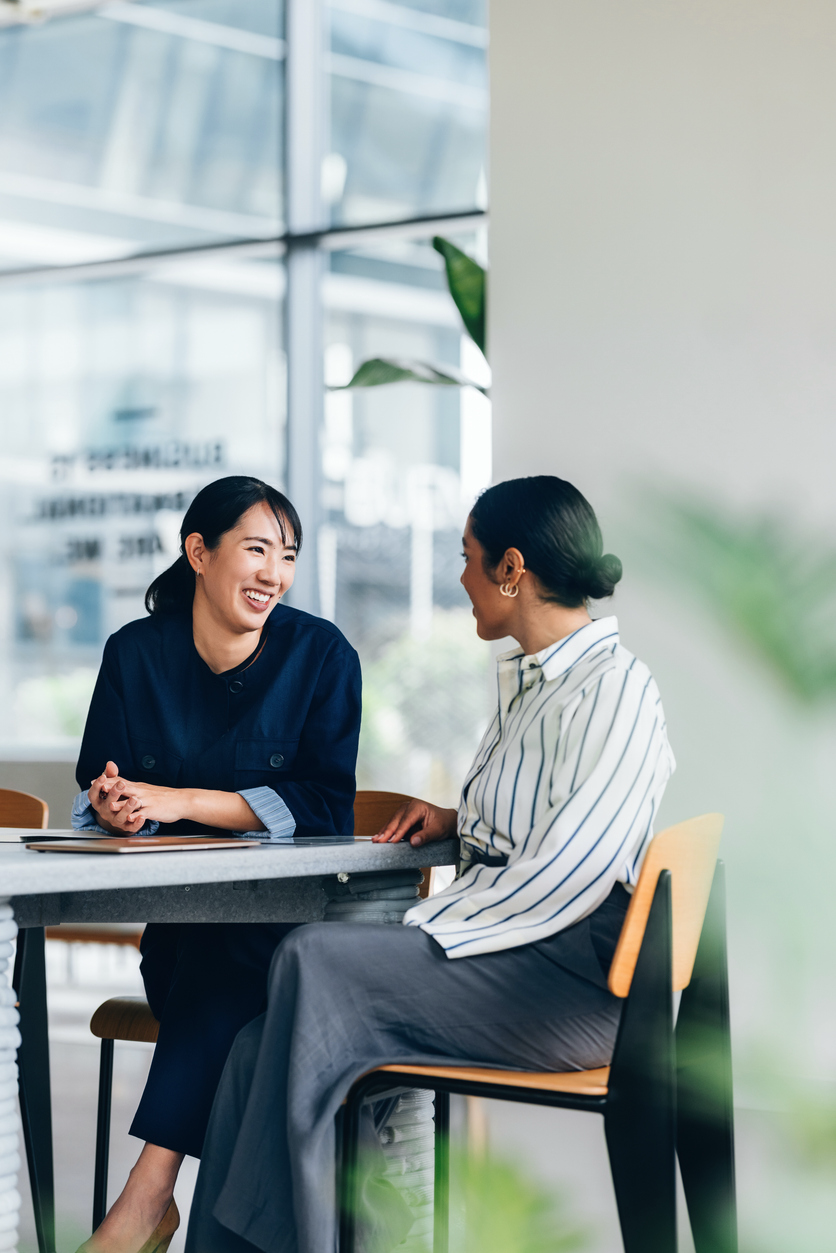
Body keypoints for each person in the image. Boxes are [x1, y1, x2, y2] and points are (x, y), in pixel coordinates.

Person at [184, 474, 676, 1253]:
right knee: (256, 1040)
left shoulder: (614, 688)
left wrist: (422, 921)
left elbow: (568, 873)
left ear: (512, 568)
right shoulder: (538, 685)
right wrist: (459, 820)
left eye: (469, 558)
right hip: (525, 952)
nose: (461, 578)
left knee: (313, 954)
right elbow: (543, 827)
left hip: (567, 983)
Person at [72, 476, 361, 1253]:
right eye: (257, 549)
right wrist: (117, 805)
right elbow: (100, 779)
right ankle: (162, 1206)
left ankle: (146, 1195)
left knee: (237, 941)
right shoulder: (134, 653)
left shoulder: (322, 656)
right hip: (176, 946)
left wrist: (185, 798)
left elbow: (327, 805)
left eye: (288, 555)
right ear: (199, 552)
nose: (275, 572)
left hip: (292, 944)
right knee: (209, 943)